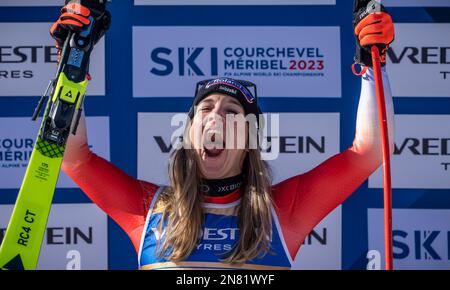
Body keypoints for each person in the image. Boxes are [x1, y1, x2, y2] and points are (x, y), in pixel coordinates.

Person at [52, 2, 395, 270]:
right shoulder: (149, 209)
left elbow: (369, 151)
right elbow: (72, 157)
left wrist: (370, 63)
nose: (215, 116)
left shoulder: (283, 210)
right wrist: (71, 59)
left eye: (231, 112)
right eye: (205, 109)